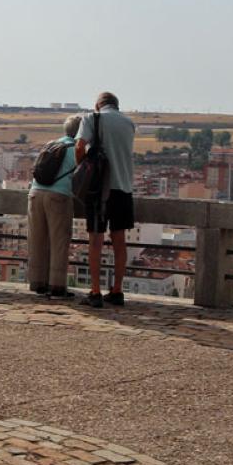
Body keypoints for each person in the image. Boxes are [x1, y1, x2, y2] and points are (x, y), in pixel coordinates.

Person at [76, 91, 136, 308]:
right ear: (117, 106)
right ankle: (117, 291)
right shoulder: (129, 124)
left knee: (96, 240)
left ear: (98, 105)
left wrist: (81, 168)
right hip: (124, 187)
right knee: (119, 240)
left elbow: (80, 146)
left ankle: (95, 292)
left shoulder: (92, 118)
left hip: (99, 188)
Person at [29, 115, 81, 299]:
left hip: (35, 194)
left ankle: (37, 282)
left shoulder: (51, 144)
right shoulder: (77, 149)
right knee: (59, 241)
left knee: (38, 238)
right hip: (58, 196)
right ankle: (57, 286)